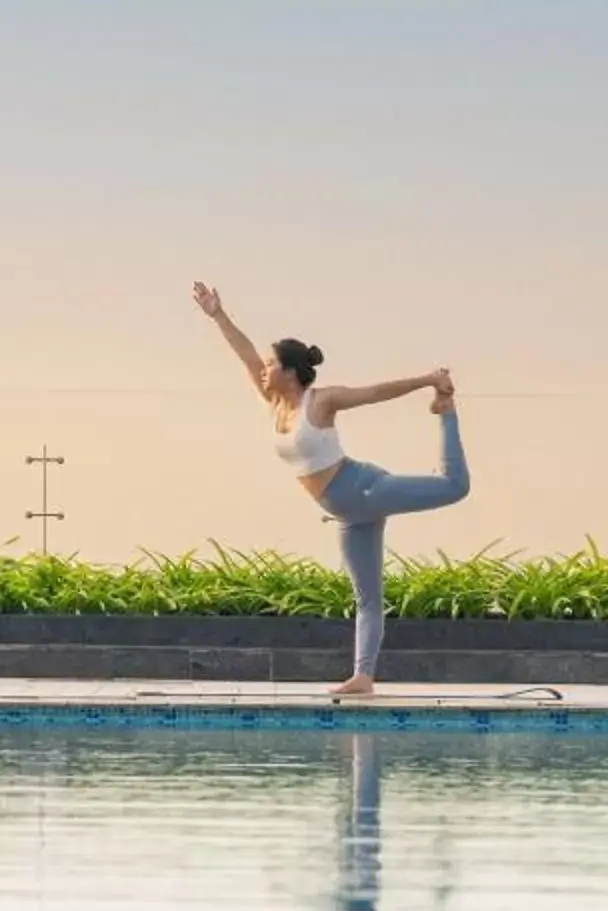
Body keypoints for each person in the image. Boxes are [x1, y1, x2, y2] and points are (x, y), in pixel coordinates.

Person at [190, 281, 468, 695]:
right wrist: (217, 314)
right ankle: (363, 677)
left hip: (366, 490)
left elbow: (375, 393)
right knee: (367, 599)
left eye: (270, 365)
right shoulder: (275, 402)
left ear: (288, 371)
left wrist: (430, 380)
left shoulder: (319, 402)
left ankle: (446, 413)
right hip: (348, 514)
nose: (263, 371)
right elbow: (244, 353)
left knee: (454, 486)